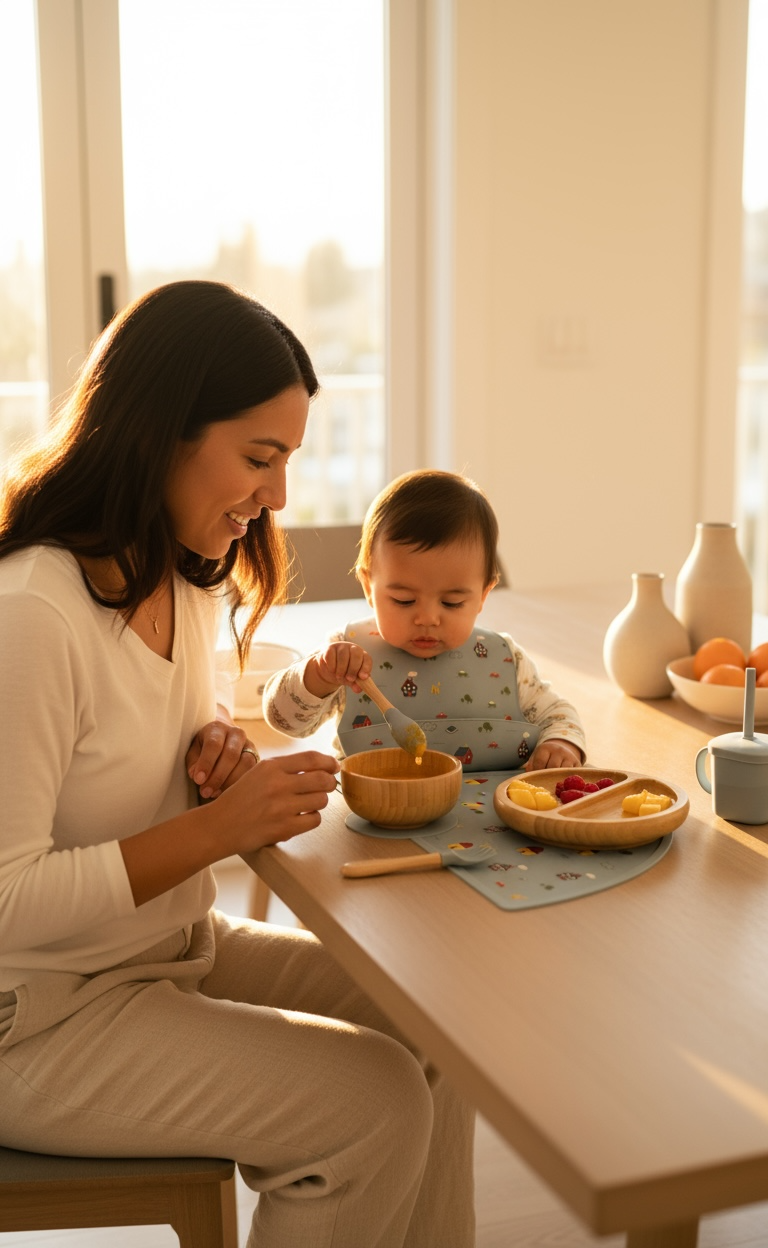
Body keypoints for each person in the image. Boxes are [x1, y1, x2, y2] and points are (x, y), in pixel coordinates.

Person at [0, 281, 475, 1248]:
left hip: (165, 952)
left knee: (443, 1029)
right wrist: (217, 826)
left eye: (288, 459)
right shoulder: (33, 613)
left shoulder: (179, 569)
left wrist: (212, 746)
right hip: (36, 1014)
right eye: (260, 458)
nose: (279, 495)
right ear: (159, 430)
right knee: (370, 1106)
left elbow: (143, 736)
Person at [264, 470, 586, 771]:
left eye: (452, 602)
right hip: (378, 818)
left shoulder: (504, 660)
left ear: (483, 595)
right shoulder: (347, 655)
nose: (427, 618)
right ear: (368, 587)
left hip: (490, 820)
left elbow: (558, 715)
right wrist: (319, 676)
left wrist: (561, 743)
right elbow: (284, 720)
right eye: (404, 600)